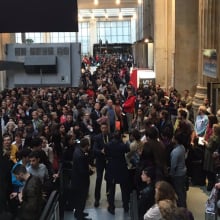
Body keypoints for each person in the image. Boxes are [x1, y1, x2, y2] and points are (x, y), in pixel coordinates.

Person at [104, 130, 130, 215]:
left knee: (111, 189)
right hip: (122, 168)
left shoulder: (108, 145)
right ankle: (126, 206)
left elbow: (106, 154)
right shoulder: (123, 145)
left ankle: (111, 208)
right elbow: (127, 149)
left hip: (111, 168)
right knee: (124, 189)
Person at [71, 137, 92, 220]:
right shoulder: (80, 156)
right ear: (86, 146)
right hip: (81, 182)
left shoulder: (78, 151)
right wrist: (91, 172)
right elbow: (82, 171)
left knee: (79, 199)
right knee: (81, 199)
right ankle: (80, 216)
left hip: (77, 180)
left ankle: (79, 213)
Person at [93, 122, 110, 208]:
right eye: (102, 128)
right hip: (100, 161)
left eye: (105, 128)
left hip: (109, 161)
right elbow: (94, 149)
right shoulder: (97, 137)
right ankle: (97, 198)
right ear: (100, 128)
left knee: (109, 179)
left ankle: (109, 196)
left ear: (107, 128)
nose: (104, 129)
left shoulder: (110, 136)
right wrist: (101, 151)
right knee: (99, 179)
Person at [170, 131, 187, 208]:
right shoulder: (182, 147)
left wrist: (171, 174)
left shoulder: (175, 152)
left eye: (174, 137)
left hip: (178, 174)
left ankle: (182, 208)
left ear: (176, 140)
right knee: (182, 191)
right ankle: (183, 205)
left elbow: (173, 166)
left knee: (179, 192)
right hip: (183, 172)